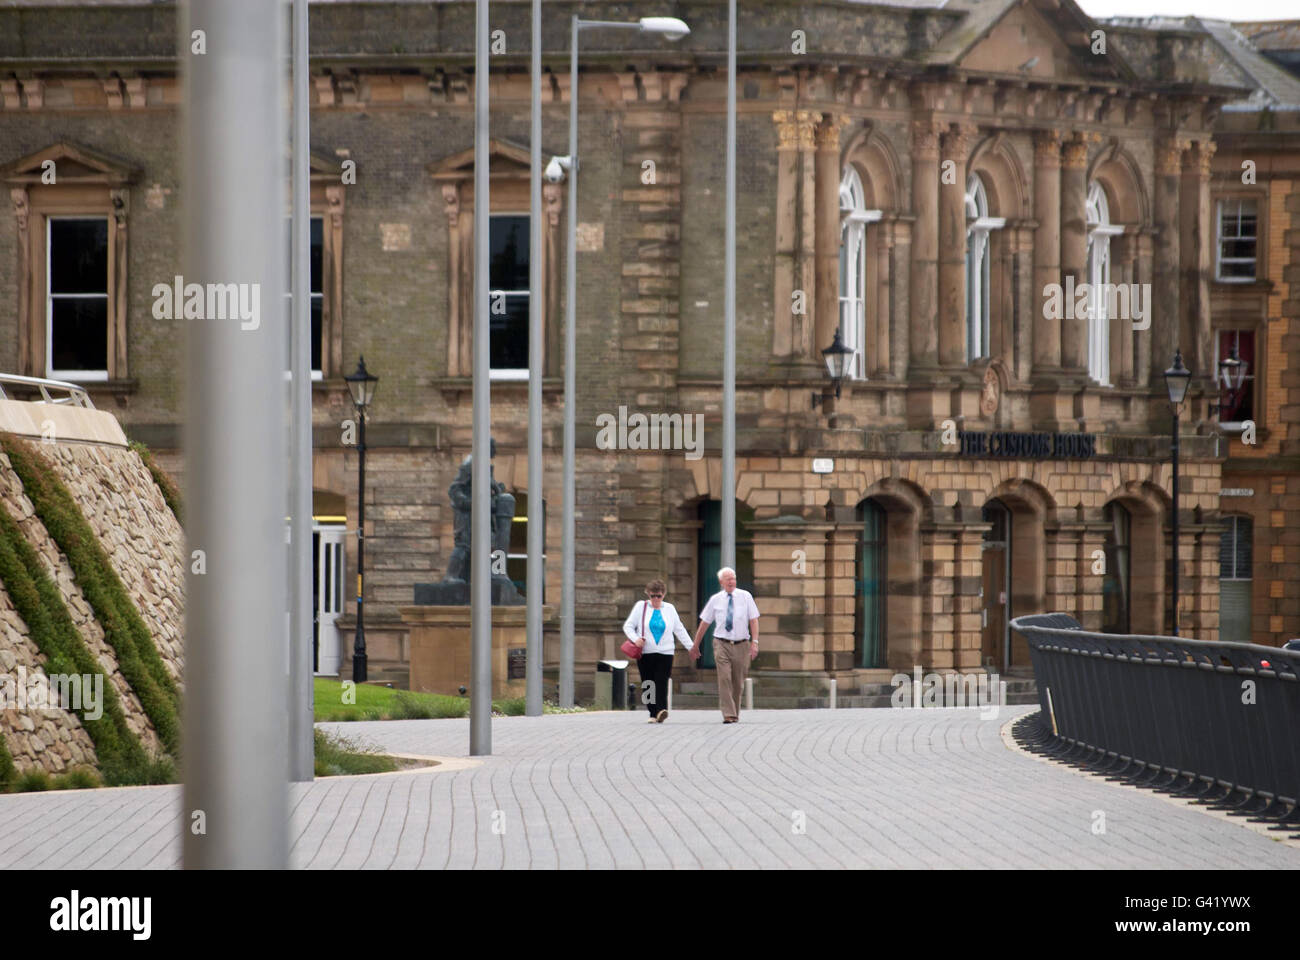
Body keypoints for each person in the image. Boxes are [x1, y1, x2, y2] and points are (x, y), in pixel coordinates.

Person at [622, 579, 696, 723]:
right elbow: (628, 626)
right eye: (652, 596)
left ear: (664, 594)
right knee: (648, 683)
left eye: (659, 596)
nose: (656, 599)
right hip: (646, 652)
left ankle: (661, 710)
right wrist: (636, 638)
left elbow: (679, 629)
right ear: (648, 594)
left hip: (665, 651)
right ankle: (652, 712)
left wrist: (691, 647)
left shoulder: (669, 609)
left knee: (661, 681)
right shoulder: (640, 607)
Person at [694, 566, 760, 724]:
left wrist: (755, 642)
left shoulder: (745, 596)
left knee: (738, 682)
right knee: (724, 678)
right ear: (721, 582)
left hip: (742, 644)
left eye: (733, 578)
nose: (731, 581)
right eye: (728, 579)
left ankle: (734, 712)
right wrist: (696, 644)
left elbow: (753, 620)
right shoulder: (715, 599)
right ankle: (728, 714)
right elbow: (705, 623)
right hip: (721, 643)